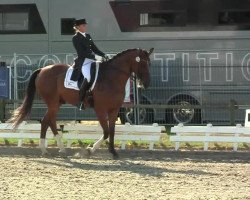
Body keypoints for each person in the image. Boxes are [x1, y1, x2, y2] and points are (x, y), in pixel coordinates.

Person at [71, 18, 108, 110]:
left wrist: (104, 55)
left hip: (92, 60)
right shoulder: (75, 38)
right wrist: (95, 57)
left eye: (85, 25)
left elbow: (95, 49)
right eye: (83, 25)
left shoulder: (88, 36)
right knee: (87, 77)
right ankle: (80, 101)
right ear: (78, 27)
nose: (85, 27)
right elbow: (81, 53)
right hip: (83, 61)